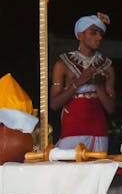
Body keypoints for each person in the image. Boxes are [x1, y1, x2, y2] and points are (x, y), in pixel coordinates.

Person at [49, 13, 116, 152]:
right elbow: (54, 104)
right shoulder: (63, 64)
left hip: (99, 130)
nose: (99, 37)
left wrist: (98, 85)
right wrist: (78, 82)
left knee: (97, 172)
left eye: (101, 33)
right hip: (72, 129)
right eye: (93, 33)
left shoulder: (107, 66)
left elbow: (111, 109)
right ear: (80, 35)